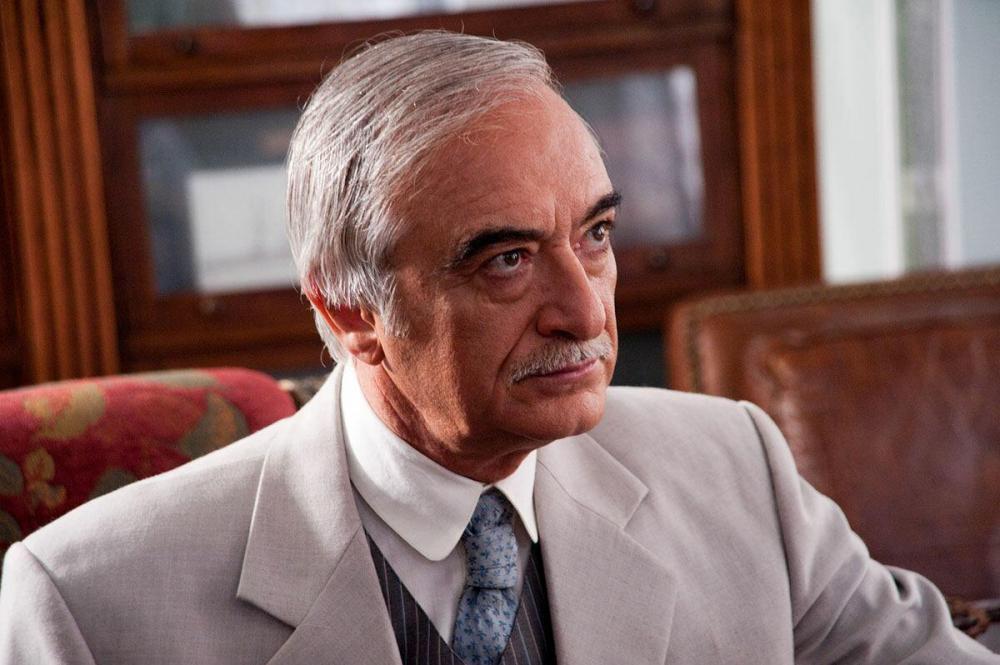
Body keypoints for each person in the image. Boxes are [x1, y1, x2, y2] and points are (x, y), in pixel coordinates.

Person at [0, 31, 995, 665]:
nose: (584, 310)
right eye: (507, 260)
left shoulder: (735, 463)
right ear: (350, 311)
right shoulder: (90, 602)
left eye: (595, 234)